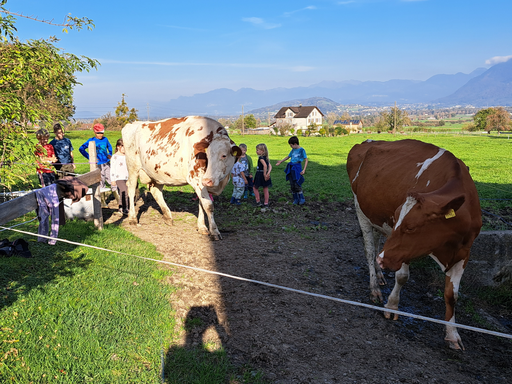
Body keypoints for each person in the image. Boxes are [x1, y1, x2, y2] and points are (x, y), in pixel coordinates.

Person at [79, 123, 113, 206]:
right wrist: (90, 157)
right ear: (94, 132)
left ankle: (118, 197)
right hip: (98, 165)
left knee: (111, 179)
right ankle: (103, 202)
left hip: (106, 163)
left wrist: (110, 154)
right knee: (101, 182)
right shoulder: (91, 140)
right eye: (98, 133)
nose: (100, 135)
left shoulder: (105, 139)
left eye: (102, 133)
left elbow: (110, 147)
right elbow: (81, 148)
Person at [276, 136, 308, 205]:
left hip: (297, 168)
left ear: (295, 144)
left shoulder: (302, 150)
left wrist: (304, 170)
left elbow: (306, 160)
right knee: (292, 184)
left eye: (291, 145)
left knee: (297, 183)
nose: (290, 147)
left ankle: (301, 198)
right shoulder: (293, 150)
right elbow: (288, 156)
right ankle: (295, 199)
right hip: (291, 167)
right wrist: (281, 161)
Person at [110, 138, 129, 215]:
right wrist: (113, 180)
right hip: (119, 178)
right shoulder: (115, 157)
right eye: (123, 146)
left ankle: (121, 207)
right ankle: (125, 208)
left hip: (127, 177)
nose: (125, 148)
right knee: (124, 190)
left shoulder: (127, 156)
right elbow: (112, 169)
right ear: (118, 146)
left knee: (123, 192)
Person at [253, 143, 272, 207]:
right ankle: (266, 203)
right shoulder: (266, 158)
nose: (256, 151)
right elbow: (270, 167)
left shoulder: (261, 158)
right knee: (265, 188)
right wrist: (268, 173)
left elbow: (265, 166)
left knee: (255, 187)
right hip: (265, 174)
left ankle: (258, 201)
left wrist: (264, 174)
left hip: (260, 174)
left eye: (258, 150)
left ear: (262, 151)